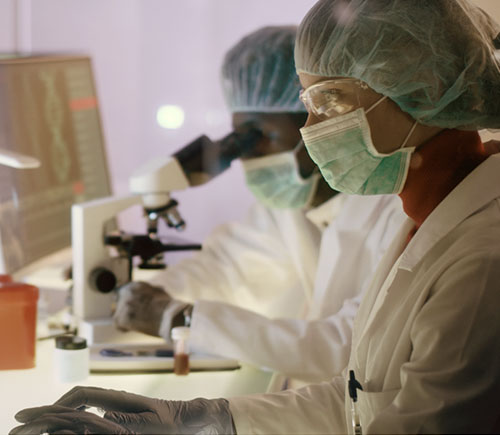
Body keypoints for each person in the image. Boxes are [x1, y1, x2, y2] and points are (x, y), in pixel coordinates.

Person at [12, 1, 500, 433]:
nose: (312, 130)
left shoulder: (479, 264)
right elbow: (357, 397)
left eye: (329, 102)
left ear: (418, 90)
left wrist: (178, 319)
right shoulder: (423, 216)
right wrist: (207, 419)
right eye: (308, 106)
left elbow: (365, 380)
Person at [113, 25, 405, 386]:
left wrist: (179, 318)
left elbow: (345, 345)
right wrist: (141, 297)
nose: (250, 155)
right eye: (241, 137)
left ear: (321, 122)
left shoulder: (396, 210)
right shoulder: (296, 204)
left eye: (262, 135)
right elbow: (229, 269)